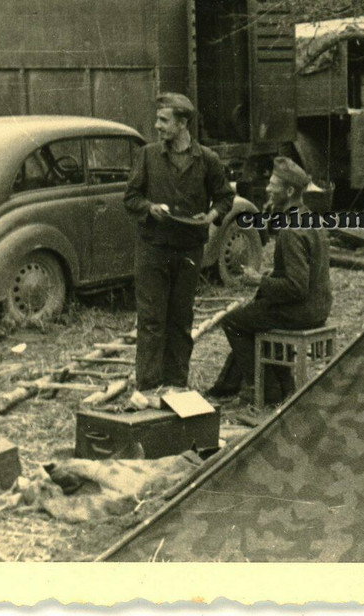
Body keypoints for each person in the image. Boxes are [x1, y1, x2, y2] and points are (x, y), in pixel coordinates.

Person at [124, 93, 234, 391]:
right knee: (151, 321)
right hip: (153, 248)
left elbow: (225, 197)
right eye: (158, 119)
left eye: (164, 120)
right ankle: (147, 388)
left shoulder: (207, 160)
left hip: (188, 250)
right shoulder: (148, 155)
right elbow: (130, 198)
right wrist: (150, 208)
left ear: (183, 123)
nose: (157, 126)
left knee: (180, 321)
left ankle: (175, 388)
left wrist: (211, 215)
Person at [207, 157, 332, 406]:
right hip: (318, 306)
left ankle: (262, 389)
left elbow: (296, 287)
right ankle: (281, 385)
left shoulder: (291, 230)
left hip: (302, 311)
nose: (267, 189)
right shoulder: (309, 219)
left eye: (273, 185)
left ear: (288, 191)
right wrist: (266, 282)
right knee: (254, 313)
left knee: (233, 322)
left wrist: (259, 281)